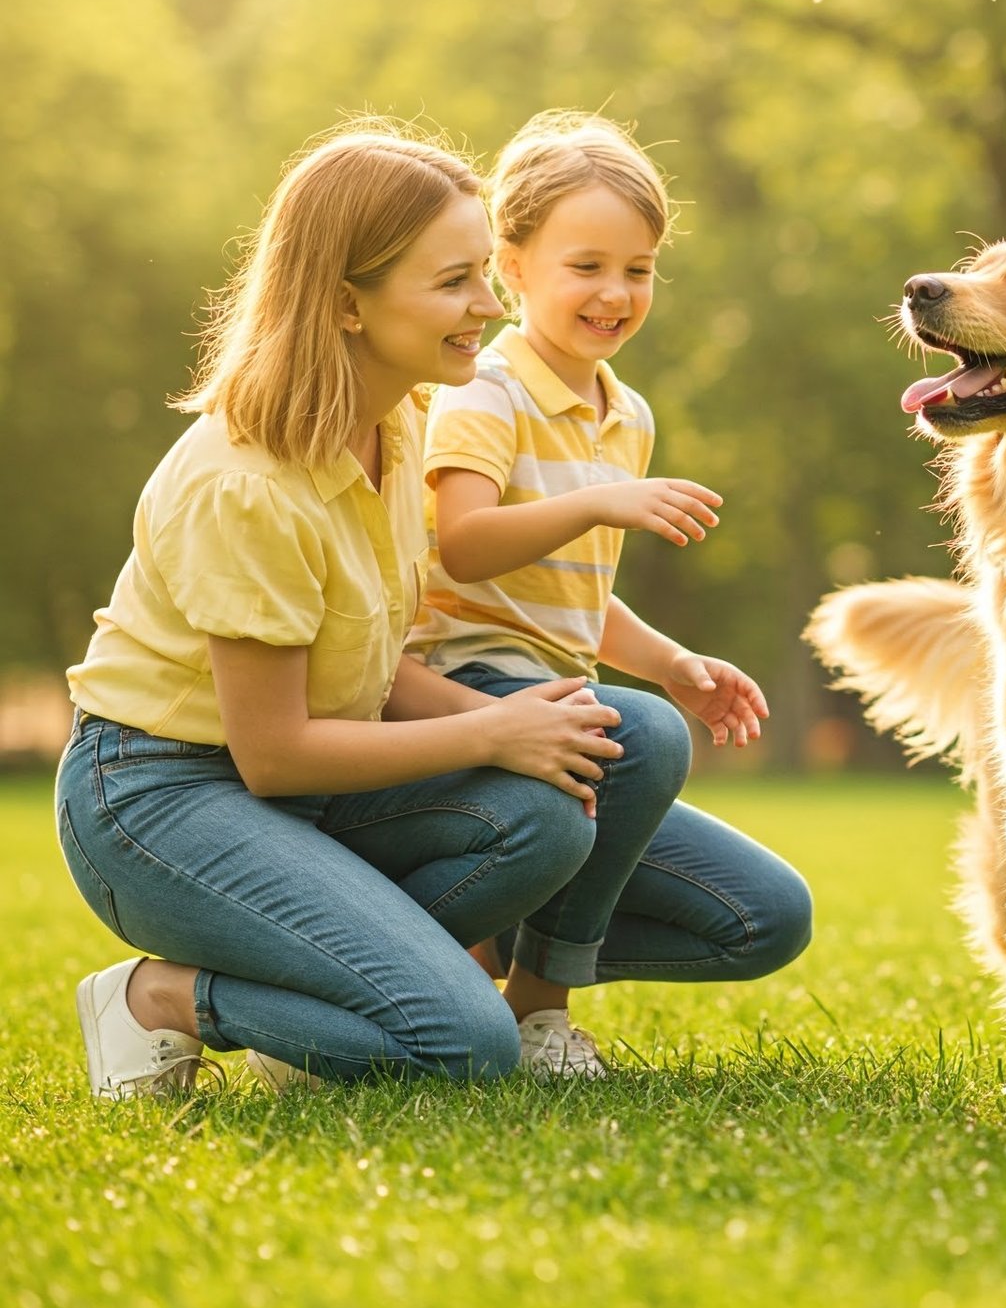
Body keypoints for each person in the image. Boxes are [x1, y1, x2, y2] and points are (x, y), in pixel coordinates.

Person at [61, 123, 628, 1098]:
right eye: (455, 282)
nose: (489, 308)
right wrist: (491, 727)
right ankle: (156, 998)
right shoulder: (244, 485)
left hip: (297, 787)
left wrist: (525, 726)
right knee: (467, 1049)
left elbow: (364, 670)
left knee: (549, 819)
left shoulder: (399, 422)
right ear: (345, 303)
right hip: (160, 798)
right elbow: (274, 750)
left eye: (484, 274)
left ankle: (345, 999)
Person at [406, 111, 811, 1076]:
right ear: (509, 265)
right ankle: (540, 1009)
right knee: (637, 736)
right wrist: (598, 502)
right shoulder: (483, 390)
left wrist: (674, 665)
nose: (616, 292)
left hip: (557, 699)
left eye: (639, 269)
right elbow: (461, 548)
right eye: (585, 265)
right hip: (459, 695)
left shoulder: (624, 412)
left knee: (766, 918)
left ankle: (480, 940)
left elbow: (569, 603)